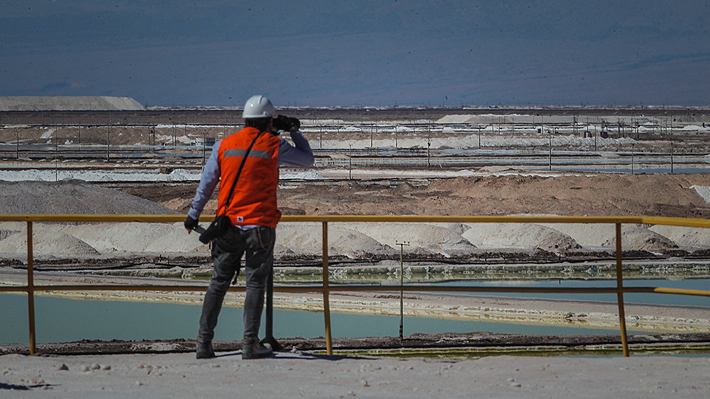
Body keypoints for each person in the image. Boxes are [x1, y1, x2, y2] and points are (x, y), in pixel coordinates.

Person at [184, 95, 314, 359]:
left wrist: (193, 215)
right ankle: (249, 343)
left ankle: (203, 342)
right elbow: (307, 160)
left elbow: (207, 183)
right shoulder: (274, 145)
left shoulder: (224, 145)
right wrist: (294, 130)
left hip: (227, 227)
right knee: (255, 284)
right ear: (270, 120)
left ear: (244, 119)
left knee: (218, 283)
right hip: (260, 227)